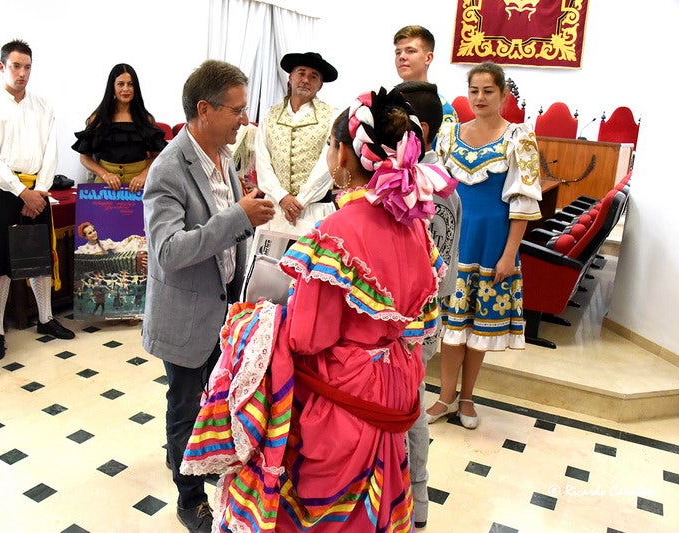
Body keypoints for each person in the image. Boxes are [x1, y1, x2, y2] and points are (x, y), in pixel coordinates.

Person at [181, 87, 457, 532]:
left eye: (330, 145)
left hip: (343, 396)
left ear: (345, 156)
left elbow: (309, 336)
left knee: (324, 511)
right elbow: (416, 323)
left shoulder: (337, 232)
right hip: (392, 385)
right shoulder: (415, 225)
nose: (329, 154)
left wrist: (258, 318)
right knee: (375, 496)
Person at [141, 59, 275, 533]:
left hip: (224, 312)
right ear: (204, 109)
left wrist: (245, 214)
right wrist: (237, 217)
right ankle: (189, 499)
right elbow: (169, 251)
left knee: (214, 403)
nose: (244, 119)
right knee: (184, 409)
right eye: (236, 110)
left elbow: (222, 234)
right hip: (185, 315)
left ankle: (205, 467)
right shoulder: (168, 169)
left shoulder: (224, 161)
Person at [429, 61, 542, 429]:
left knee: (478, 327)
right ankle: (444, 397)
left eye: (488, 91)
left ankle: (467, 398)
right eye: (474, 90)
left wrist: (509, 254)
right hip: (453, 239)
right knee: (451, 326)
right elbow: (437, 192)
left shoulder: (519, 138)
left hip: (493, 242)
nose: (479, 97)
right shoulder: (449, 134)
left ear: (503, 95)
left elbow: (523, 204)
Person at [0, 39, 75, 361]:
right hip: (3, 192)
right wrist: (21, 192)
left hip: (38, 191)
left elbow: (51, 151)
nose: (22, 73)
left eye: (27, 67)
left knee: (38, 258)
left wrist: (40, 190)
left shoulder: (42, 106)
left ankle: (45, 319)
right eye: (16, 66)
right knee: (2, 264)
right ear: (2, 67)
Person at [396, 80, 462, 529]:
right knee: (408, 408)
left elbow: (427, 277)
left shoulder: (429, 190)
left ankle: (412, 503)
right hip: (418, 322)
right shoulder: (431, 184)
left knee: (408, 412)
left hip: (414, 324)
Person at [254, 51, 338, 236]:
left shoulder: (332, 116)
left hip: (313, 211)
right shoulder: (270, 115)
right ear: (290, 77)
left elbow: (328, 163)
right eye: (301, 73)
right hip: (274, 208)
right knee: (267, 263)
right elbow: (261, 158)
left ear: (320, 85)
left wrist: (300, 201)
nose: (306, 79)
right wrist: (281, 196)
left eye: (313, 76)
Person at [72, 63, 167, 193]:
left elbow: (158, 156)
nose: (126, 89)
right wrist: (105, 174)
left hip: (138, 188)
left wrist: (143, 175)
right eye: (121, 84)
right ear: (112, 87)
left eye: (131, 84)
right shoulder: (97, 119)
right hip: (105, 187)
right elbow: (85, 158)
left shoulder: (146, 119)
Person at [394, 25, 459, 124]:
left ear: (428, 58)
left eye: (410, 51)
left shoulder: (442, 110)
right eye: (398, 52)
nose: (402, 57)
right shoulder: (385, 101)